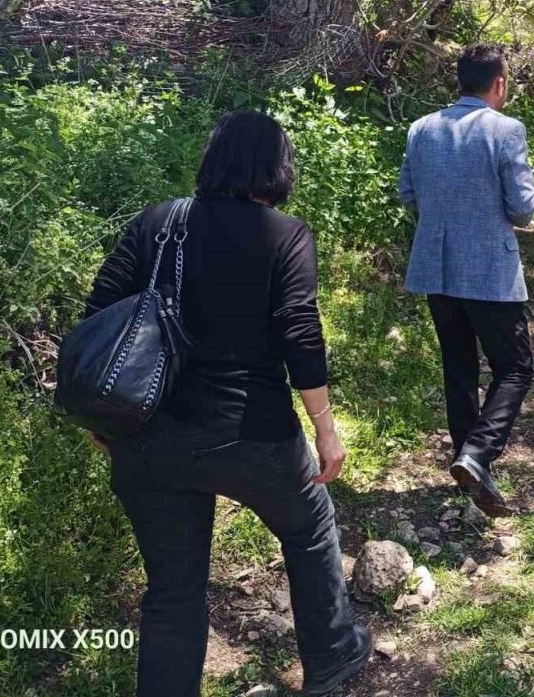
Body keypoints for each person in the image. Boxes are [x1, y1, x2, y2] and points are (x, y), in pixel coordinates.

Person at [87, 110, 371, 697]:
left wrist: (103, 415)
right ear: (277, 167)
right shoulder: (285, 234)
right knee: (310, 527)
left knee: (173, 588)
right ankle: (333, 656)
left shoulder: (158, 223)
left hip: (147, 435)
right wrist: (324, 427)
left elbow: (99, 317)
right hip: (252, 434)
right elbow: (299, 330)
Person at [399, 43, 534, 517]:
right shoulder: (507, 131)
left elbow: (407, 194)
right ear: (499, 83)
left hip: (437, 267)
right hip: (490, 271)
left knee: (458, 367)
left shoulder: (421, 129)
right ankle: (477, 455)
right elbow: (522, 209)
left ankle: (468, 465)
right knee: (515, 367)